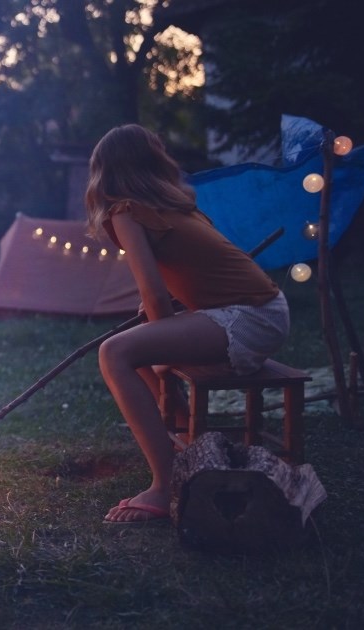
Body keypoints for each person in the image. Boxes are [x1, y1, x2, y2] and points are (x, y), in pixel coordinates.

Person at [85, 124, 290, 525]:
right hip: (264, 311)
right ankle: (186, 441)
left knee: (115, 351)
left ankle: (165, 486)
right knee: (134, 346)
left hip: (248, 316)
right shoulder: (176, 207)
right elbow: (187, 284)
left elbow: (157, 296)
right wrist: (159, 338)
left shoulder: (125, 211)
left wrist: (163, 359)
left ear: (104, 171)